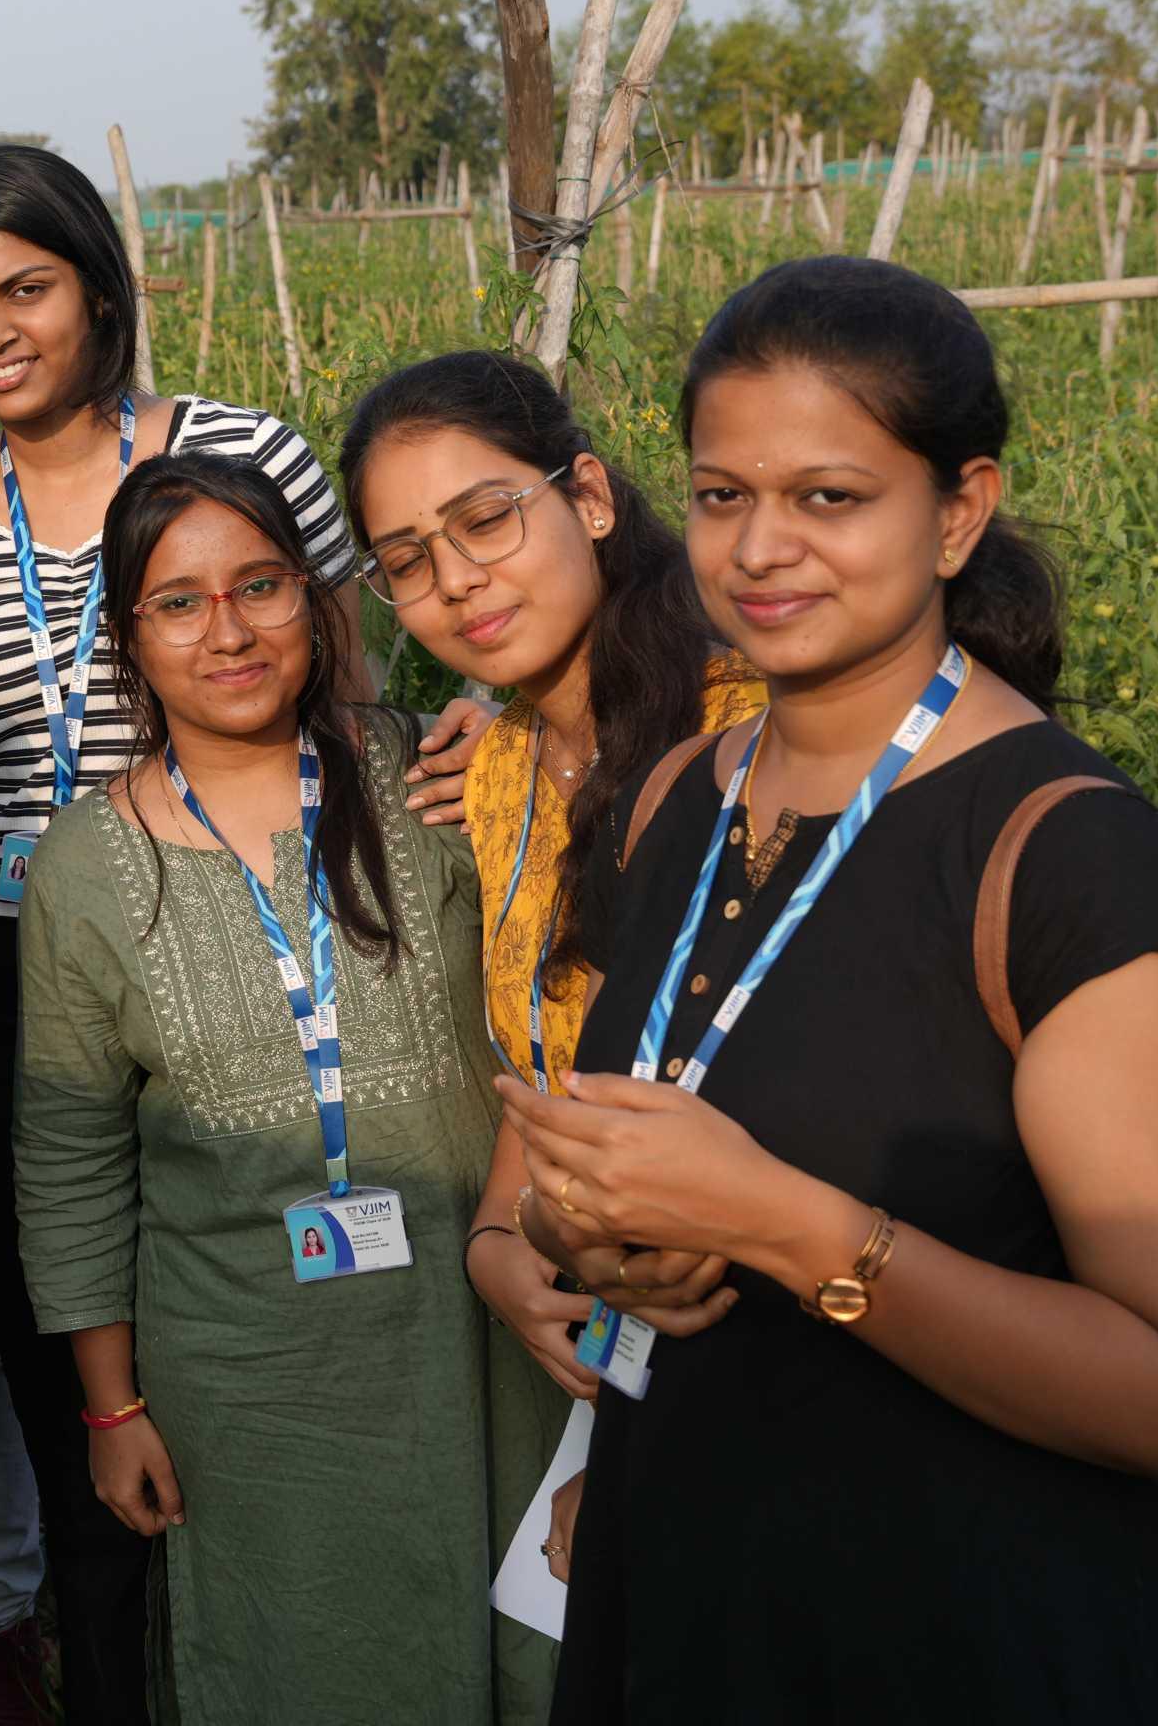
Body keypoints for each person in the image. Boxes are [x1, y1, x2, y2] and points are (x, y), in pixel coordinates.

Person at [501, 257, 1158, 1720]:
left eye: (830, 497)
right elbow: (656, 1138)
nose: (759, 548)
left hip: (981, 1635)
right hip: (701, 1593)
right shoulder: (684, 786)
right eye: (725, 494)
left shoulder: (1071, 864)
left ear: (962, 511)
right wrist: (592, 1232)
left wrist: (792, 1229)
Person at [0, 142, 476, 1722]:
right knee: (86, 1367)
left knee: (297, 1323)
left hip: (272, 925)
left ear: (99, 289)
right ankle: (131, 1674)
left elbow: (343, 664)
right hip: (14, 964)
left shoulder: (234, 451)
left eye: (26, 289)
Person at [13, 450, 563, 1726]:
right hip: (248, 1366)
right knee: (299, 1657)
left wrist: (518, 739)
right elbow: (71, 1155)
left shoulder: (434, 777)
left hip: (475, 1323)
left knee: (519, 1642)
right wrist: (113, 1403)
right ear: (129, 635)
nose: (229, 631)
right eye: (180, 601)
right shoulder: (85, 869)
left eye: (261, 585)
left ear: (316, 603)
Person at [336, 346, 764, 1535]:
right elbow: (543, 1055)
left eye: (486, 519)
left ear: (586, 495)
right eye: (408, 561)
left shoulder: (755, 731)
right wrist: (492, 1236)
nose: (459, 580)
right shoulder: (504, 766)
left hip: (774, 1316)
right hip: (620, 1313)